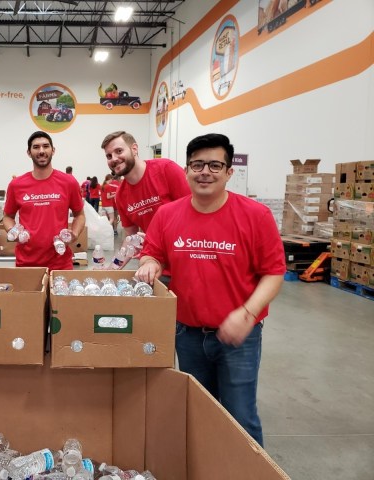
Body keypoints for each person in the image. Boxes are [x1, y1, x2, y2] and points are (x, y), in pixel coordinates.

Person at [135, 133, 286, 446]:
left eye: (215, 165)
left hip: (240, 337)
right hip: (187, 334)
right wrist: (150, 264)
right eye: (197, 164)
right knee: (200, 411)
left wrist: (247, 313)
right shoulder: (167, 214)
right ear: (187, 170)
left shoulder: (255, 216)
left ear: (229, 172)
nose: (205, 172)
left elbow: (273, 272)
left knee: (240, 416)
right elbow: (153, 252)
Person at [3, 131, 85, 271]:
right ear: (29, 152)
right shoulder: (16, 185)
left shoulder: (68, 182)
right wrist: (13, 231)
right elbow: (7, 217)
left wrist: (75, 234)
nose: (41, 151)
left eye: (45, 146)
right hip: (26, 264)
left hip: (60, 263)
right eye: (36, 147)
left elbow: (79, 214)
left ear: (53, 150)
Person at [101, 131, 190, 235]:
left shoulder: (166, 169)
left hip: (187, 244)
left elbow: (194, 209)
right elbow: (131, 237)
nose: (114, 159)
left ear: (134, 149)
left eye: (119, 151)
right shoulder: (120, 195)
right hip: (154, 250)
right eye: (109, 156)